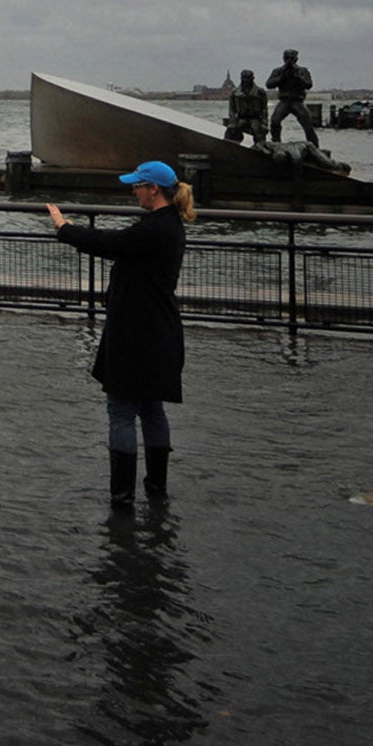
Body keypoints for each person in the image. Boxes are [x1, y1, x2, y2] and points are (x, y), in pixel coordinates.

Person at [45, 160, 192, 509]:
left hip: (135, 333)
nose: (133, 190)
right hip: (160, 329)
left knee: (122, 410)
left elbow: (109, 242)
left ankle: (122, 496)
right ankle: (156, 487)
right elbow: (120, 244)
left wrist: (64, 227)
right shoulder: (168, 225)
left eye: (138, 185)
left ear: (153, 189)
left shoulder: (153, 230)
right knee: (152, 409)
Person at [265, 48, 320, 147]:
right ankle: (276, 143)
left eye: (291, 58)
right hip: (284, 101)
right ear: (283, 59)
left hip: (297, 101)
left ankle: (314, 146)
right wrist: (282, 77)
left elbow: (308, 84)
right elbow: (269, 84)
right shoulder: (278, 71)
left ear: (296, 59)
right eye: (287, 58)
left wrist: (297, 76)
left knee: (308, 124)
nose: (289, 60)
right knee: (274, 121)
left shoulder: (303, 70)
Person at [224, 69, 266, 142]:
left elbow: (264, 110)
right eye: (244, 78)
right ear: (241, 78)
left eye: (248, 78)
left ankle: (260, 149)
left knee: (259, 133)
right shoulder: (235, 92)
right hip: (241, 119)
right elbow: (232, 109)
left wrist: (265, 124)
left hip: (255, 119)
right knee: (230, 132)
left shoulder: (260, 92)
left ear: (252, 78)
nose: (246, 80)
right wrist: (233, 122)